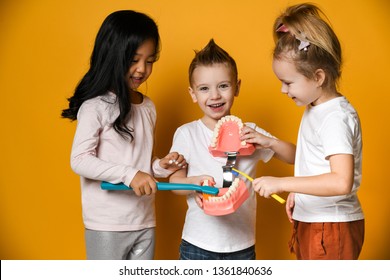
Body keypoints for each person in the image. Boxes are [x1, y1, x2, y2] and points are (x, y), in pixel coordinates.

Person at [61, 10, 186, 260]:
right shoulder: (95, 106)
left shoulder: (148, 107)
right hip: (108, 225)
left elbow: (139, 165)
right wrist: (131, 175)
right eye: (133, 59)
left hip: (144, 220)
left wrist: (159, 167)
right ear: (112, 55)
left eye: (150, 61)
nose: (142, 69)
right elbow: (80, 160)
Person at [252, 3, 365, 260]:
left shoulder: (335, 118)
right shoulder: (317, 107)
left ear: (318, 77)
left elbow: (340, 181)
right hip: (315, 223)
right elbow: (308, 159)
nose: (283, 90)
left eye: (288, 82)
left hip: (329, 228)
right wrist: (269, 143)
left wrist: (282, 183)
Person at [169, 39, 296, 260]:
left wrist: (268, 141)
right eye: (204, 89)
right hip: (197, 244)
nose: (215, 95)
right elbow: (174, 183)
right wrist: (195, 183)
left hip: (242, 246)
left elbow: (294, 157)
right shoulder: (186, 134)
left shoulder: (252, 133)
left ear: (237, 87)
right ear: (192, 93)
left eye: (223, 86)